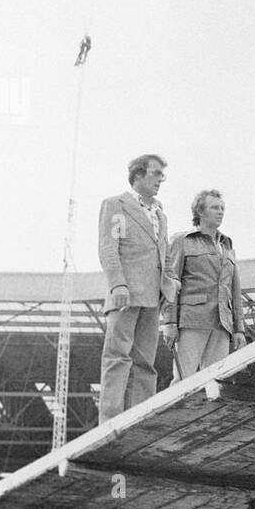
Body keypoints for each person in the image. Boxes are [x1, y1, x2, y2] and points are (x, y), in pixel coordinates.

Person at [97, 154, 170, 423]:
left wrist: (170, 284)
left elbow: (165, 254)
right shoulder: (116, 205)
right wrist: (117, 283)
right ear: (137, 175)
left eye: (162, 175)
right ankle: (109, 420)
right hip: (125, 294)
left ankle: (140, 419)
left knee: (145, 363)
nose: (160, 180)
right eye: (155, 174)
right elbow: (108, 247)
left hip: (153, 297)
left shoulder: (160, 213)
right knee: (117, 358)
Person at [162, 189, 248, 380]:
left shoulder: (227, 245)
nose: (220, 212)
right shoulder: (182, 241)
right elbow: (170, 282)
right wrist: (169, 322)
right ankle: (178, 411)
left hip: (222, 324)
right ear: (200, 211)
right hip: (192, 320)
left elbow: (235, 290)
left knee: (216, 383)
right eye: (215, 207)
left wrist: (239, 328)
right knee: (184, 381)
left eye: (222, 208)